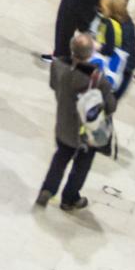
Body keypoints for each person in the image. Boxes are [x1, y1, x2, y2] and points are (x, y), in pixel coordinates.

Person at [39, 31, 111, 213]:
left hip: (63, 123)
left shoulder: (57, 64)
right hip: (85, 132)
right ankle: (70, 199)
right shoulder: (96, 78)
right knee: (81, 165)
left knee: (61, 157)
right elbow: (110, 105)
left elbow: (53, 85)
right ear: (89, 54)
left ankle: (48, 189)